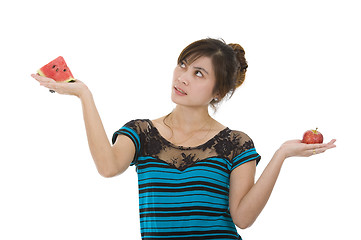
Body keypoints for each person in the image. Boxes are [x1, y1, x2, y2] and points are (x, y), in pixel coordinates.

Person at [31, 38, 336, 240]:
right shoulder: (142, 132)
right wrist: (84, 95)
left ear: (218, 92)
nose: (183, 77)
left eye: (199, 73)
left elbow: (242, 218)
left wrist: (281, 153)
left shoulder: (236, 144)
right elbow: (108, 166)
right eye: (182, 65)